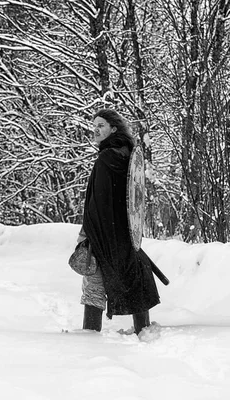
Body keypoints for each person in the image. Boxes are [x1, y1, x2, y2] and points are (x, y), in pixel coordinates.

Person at [78, 108, 160, 335]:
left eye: (101, 125)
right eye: (94, 125)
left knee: (94, 281)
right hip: (123, 233)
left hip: (104, 232)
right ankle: (143, 328)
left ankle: (89, 335)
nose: (95, 129)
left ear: (113, 129)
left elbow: (100, 202)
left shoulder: (107, 157)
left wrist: (89, 234)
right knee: (135, 275)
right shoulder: (126, 153)